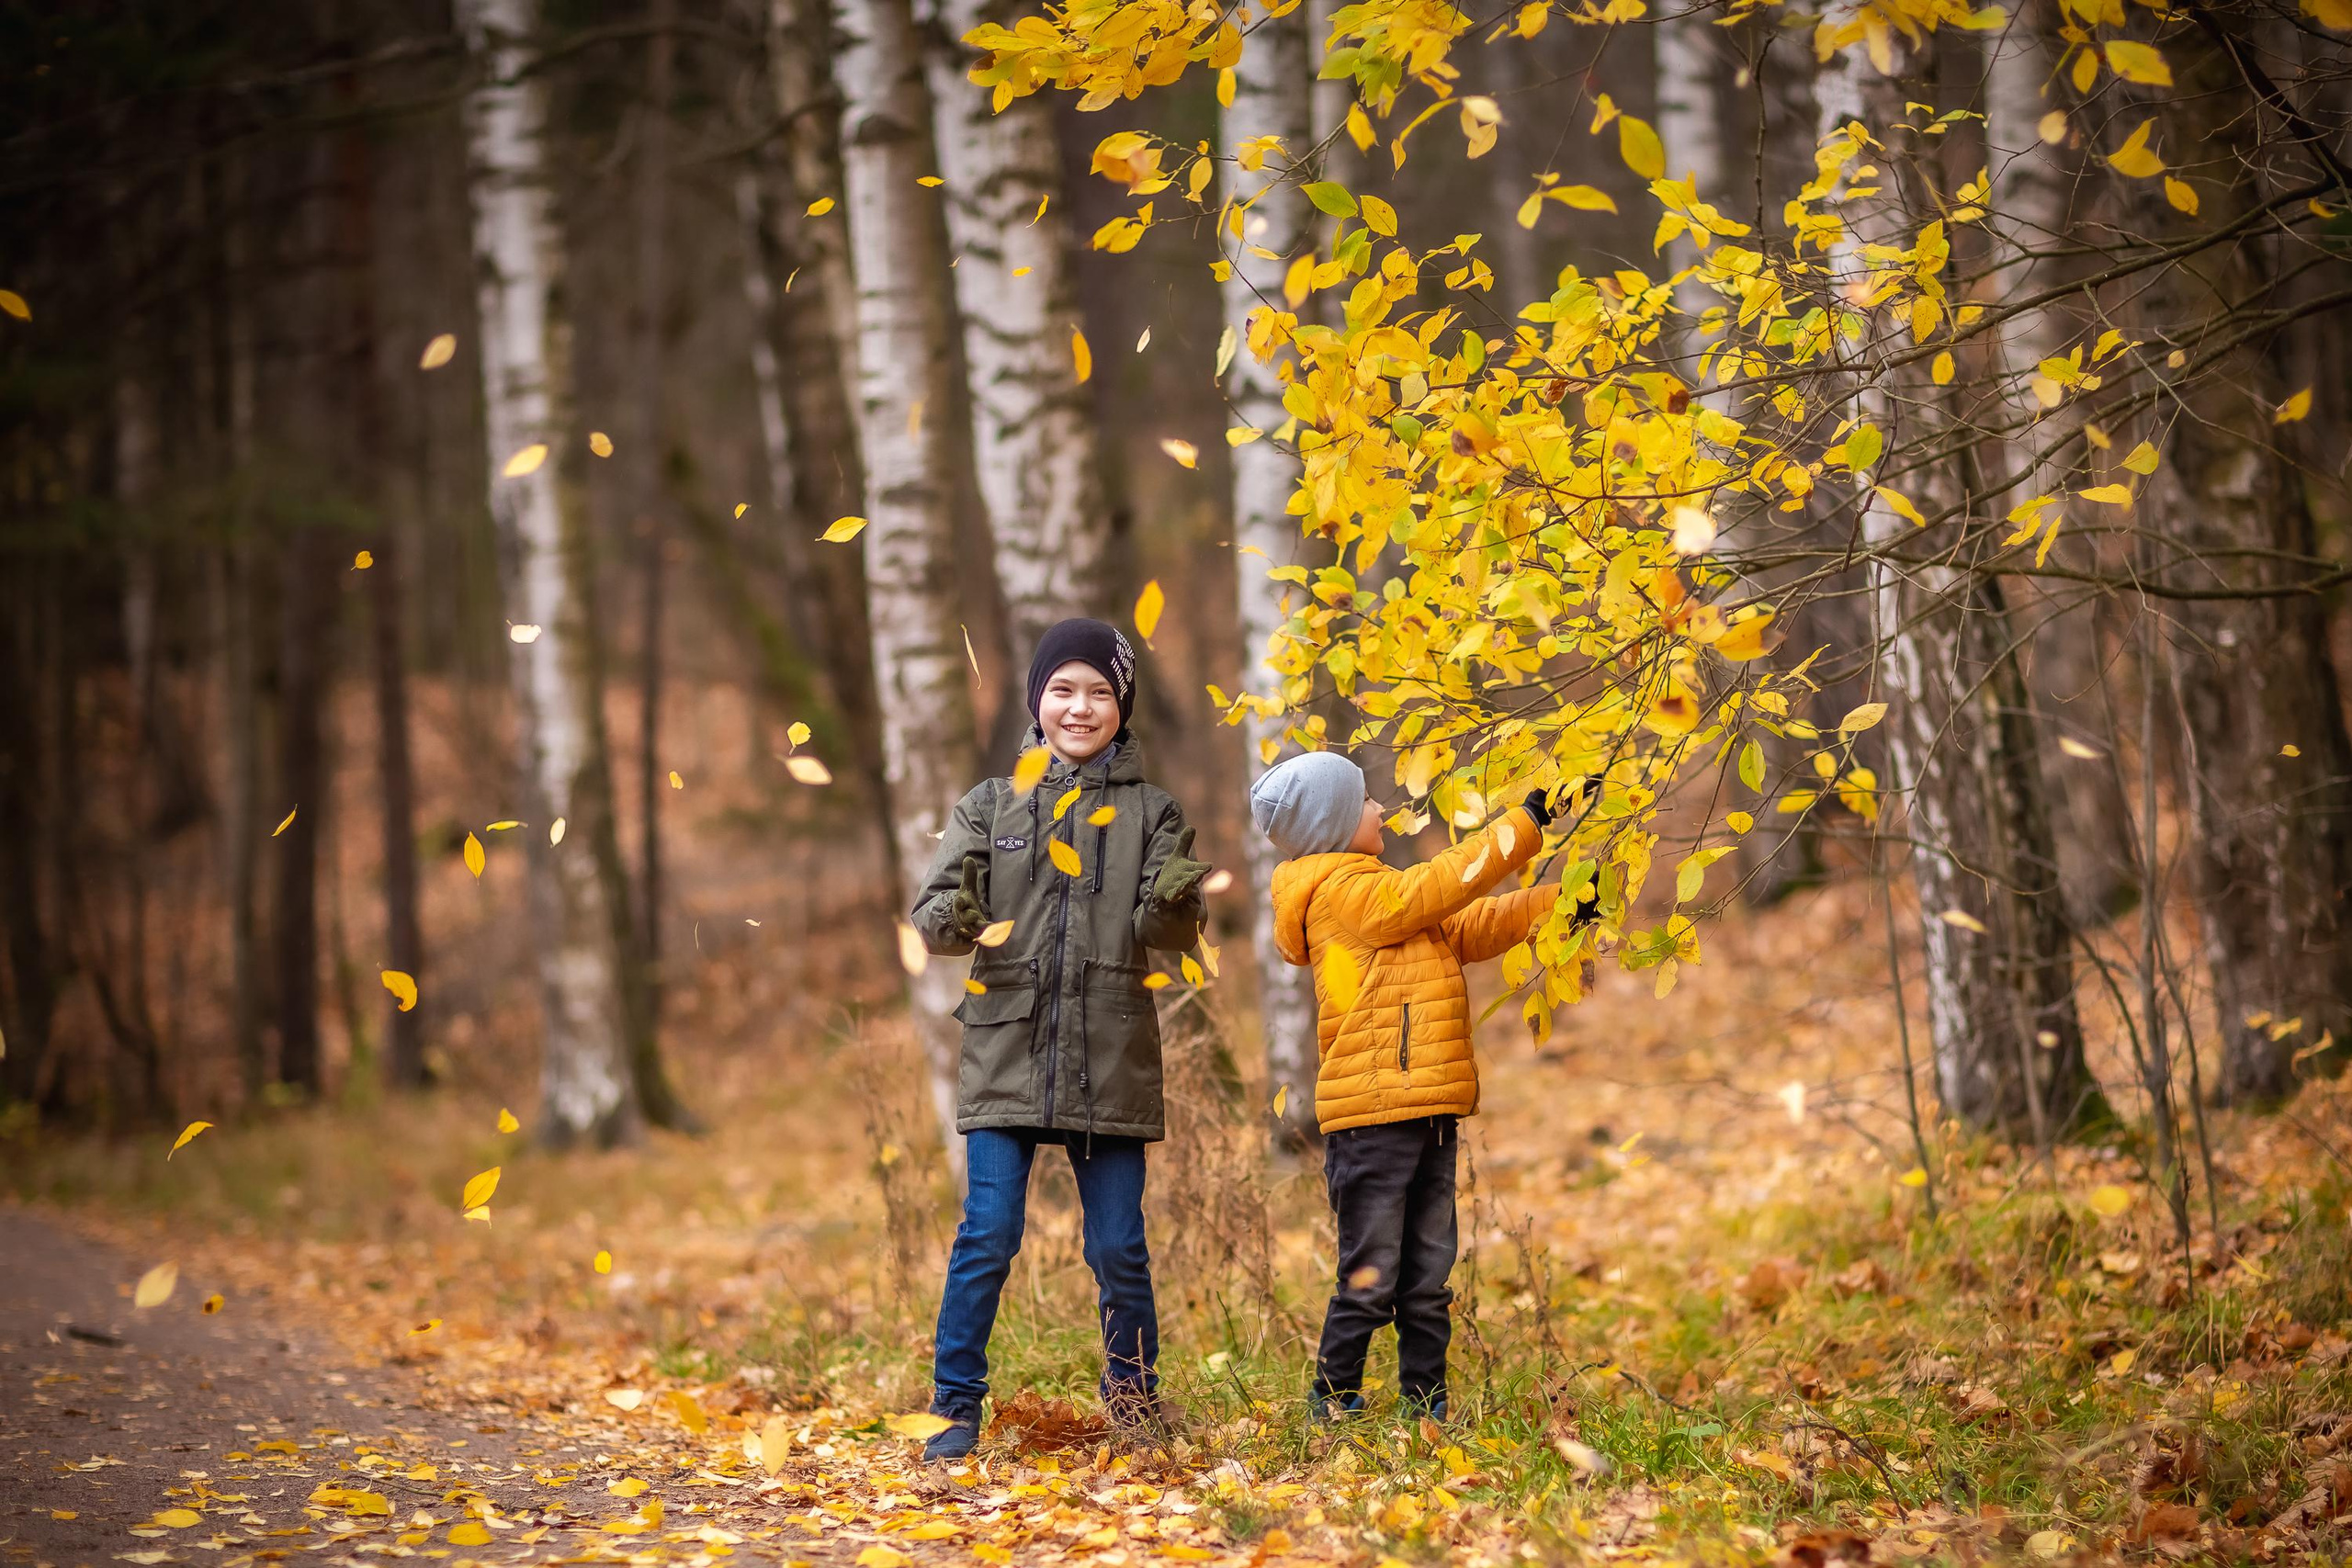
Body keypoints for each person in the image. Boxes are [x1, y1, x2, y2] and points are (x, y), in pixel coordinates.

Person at [910, 618, 1211, 1461]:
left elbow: (1170, 931)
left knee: (1118, 1246)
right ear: (1036, 699)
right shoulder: (991, 804)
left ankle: (1135, 1403)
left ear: (1124, 705)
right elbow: (931, 916)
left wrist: (1177, 904)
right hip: (1006, 1049)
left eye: (1101, 692)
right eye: (1063, 689)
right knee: (988, 1232)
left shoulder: (1153, 812)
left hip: (1109, 1056)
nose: (1081, 707)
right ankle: (953, 1406)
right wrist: (956, 913)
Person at [1255, 750, 1576, 1424]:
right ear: (1335, 823)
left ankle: (1426, 1407)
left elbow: (1469, 926)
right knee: (1370, 1276)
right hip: (1373, 1118)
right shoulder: (1344, 894)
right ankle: (1331, 1402)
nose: (1381, 809)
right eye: (1367, 801)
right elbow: (1435, 888)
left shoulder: (1381, 896)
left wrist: (1565, 903)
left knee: (1427, 1278)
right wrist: (1525, 822)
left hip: (1423, 1106)